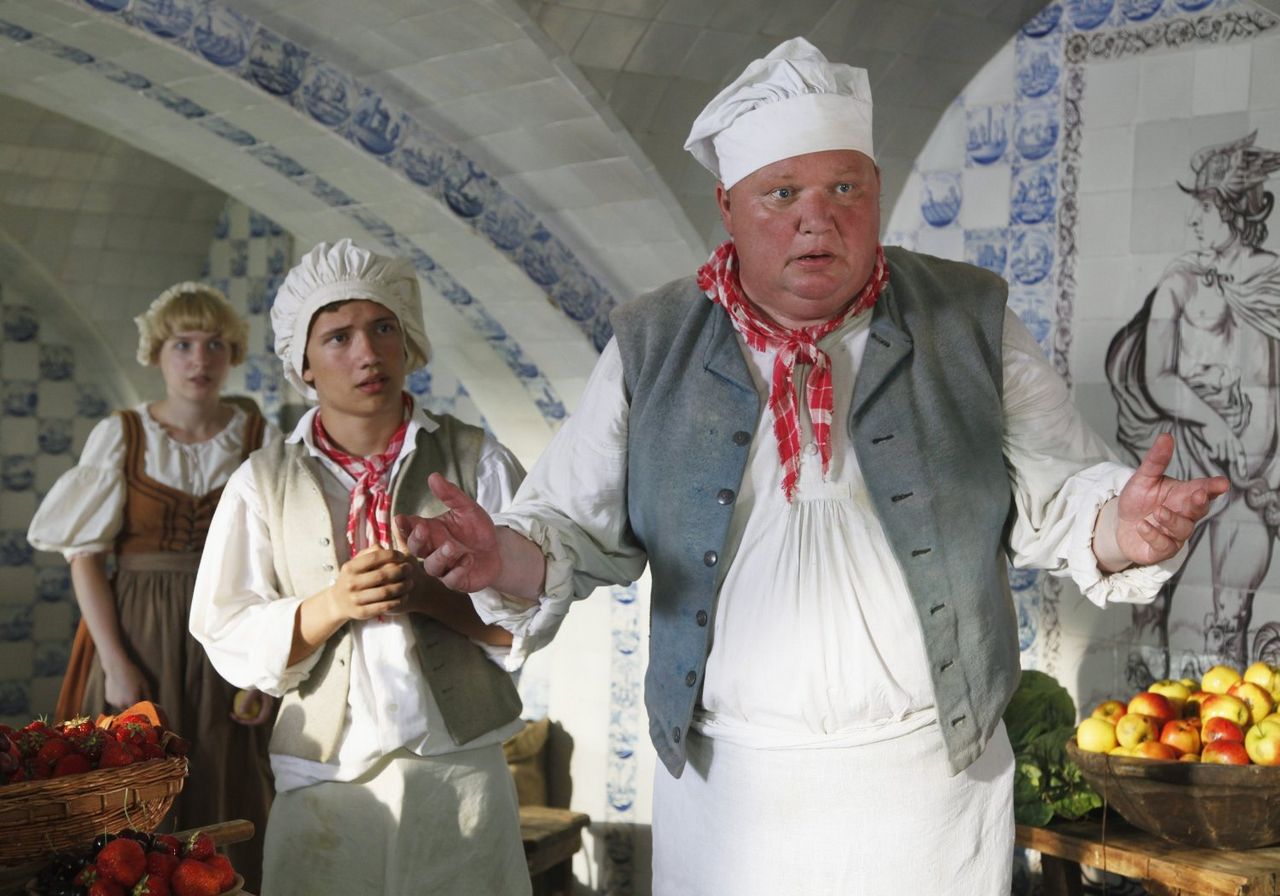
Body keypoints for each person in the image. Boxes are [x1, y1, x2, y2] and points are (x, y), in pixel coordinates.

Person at [397, 38, 1231, 894]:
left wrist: (1124, 527)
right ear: (727, 205)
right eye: (783, 193)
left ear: (876, 192)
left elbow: (1065, 495)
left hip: (931, 794)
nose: (817, 219)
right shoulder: (654, 343)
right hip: (727, 795)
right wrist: (499, 557)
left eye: (845, 189)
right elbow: (569, 527)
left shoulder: (966, 320)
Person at [188, 239, 531, 896]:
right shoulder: (264, 481)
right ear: (304, 364)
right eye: (338, 337)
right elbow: (225, 627)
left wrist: (430, 596)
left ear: (409, 342)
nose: (368, 354)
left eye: (383, 328)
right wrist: (332, 605)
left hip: (460, 770)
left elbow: (532, 619)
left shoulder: (477, 460)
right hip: (325, 779)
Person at [28, 282, 277, 889]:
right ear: (157, 354)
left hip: (226, 630)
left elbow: (275, 557)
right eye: (183, 344)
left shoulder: (257, 436)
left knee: (222, 775)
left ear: (232, 353)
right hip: (138, 630)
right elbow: (85, 557)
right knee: (132, 783)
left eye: (214, 344)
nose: (200, 359)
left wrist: (265, 664)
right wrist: (115, 662)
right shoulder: (124, 433)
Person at [1107, 131, 1280, 674]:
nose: (1194, 220)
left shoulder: (1273, 283)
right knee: (1151, 598)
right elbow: (1157, 376)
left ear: (1235, 210)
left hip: (1255, 475)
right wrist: (1214, 424)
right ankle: (1148, 705)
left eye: (1205, 208)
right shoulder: (1179, 281)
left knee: (1233, 616)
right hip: (1187, 459)